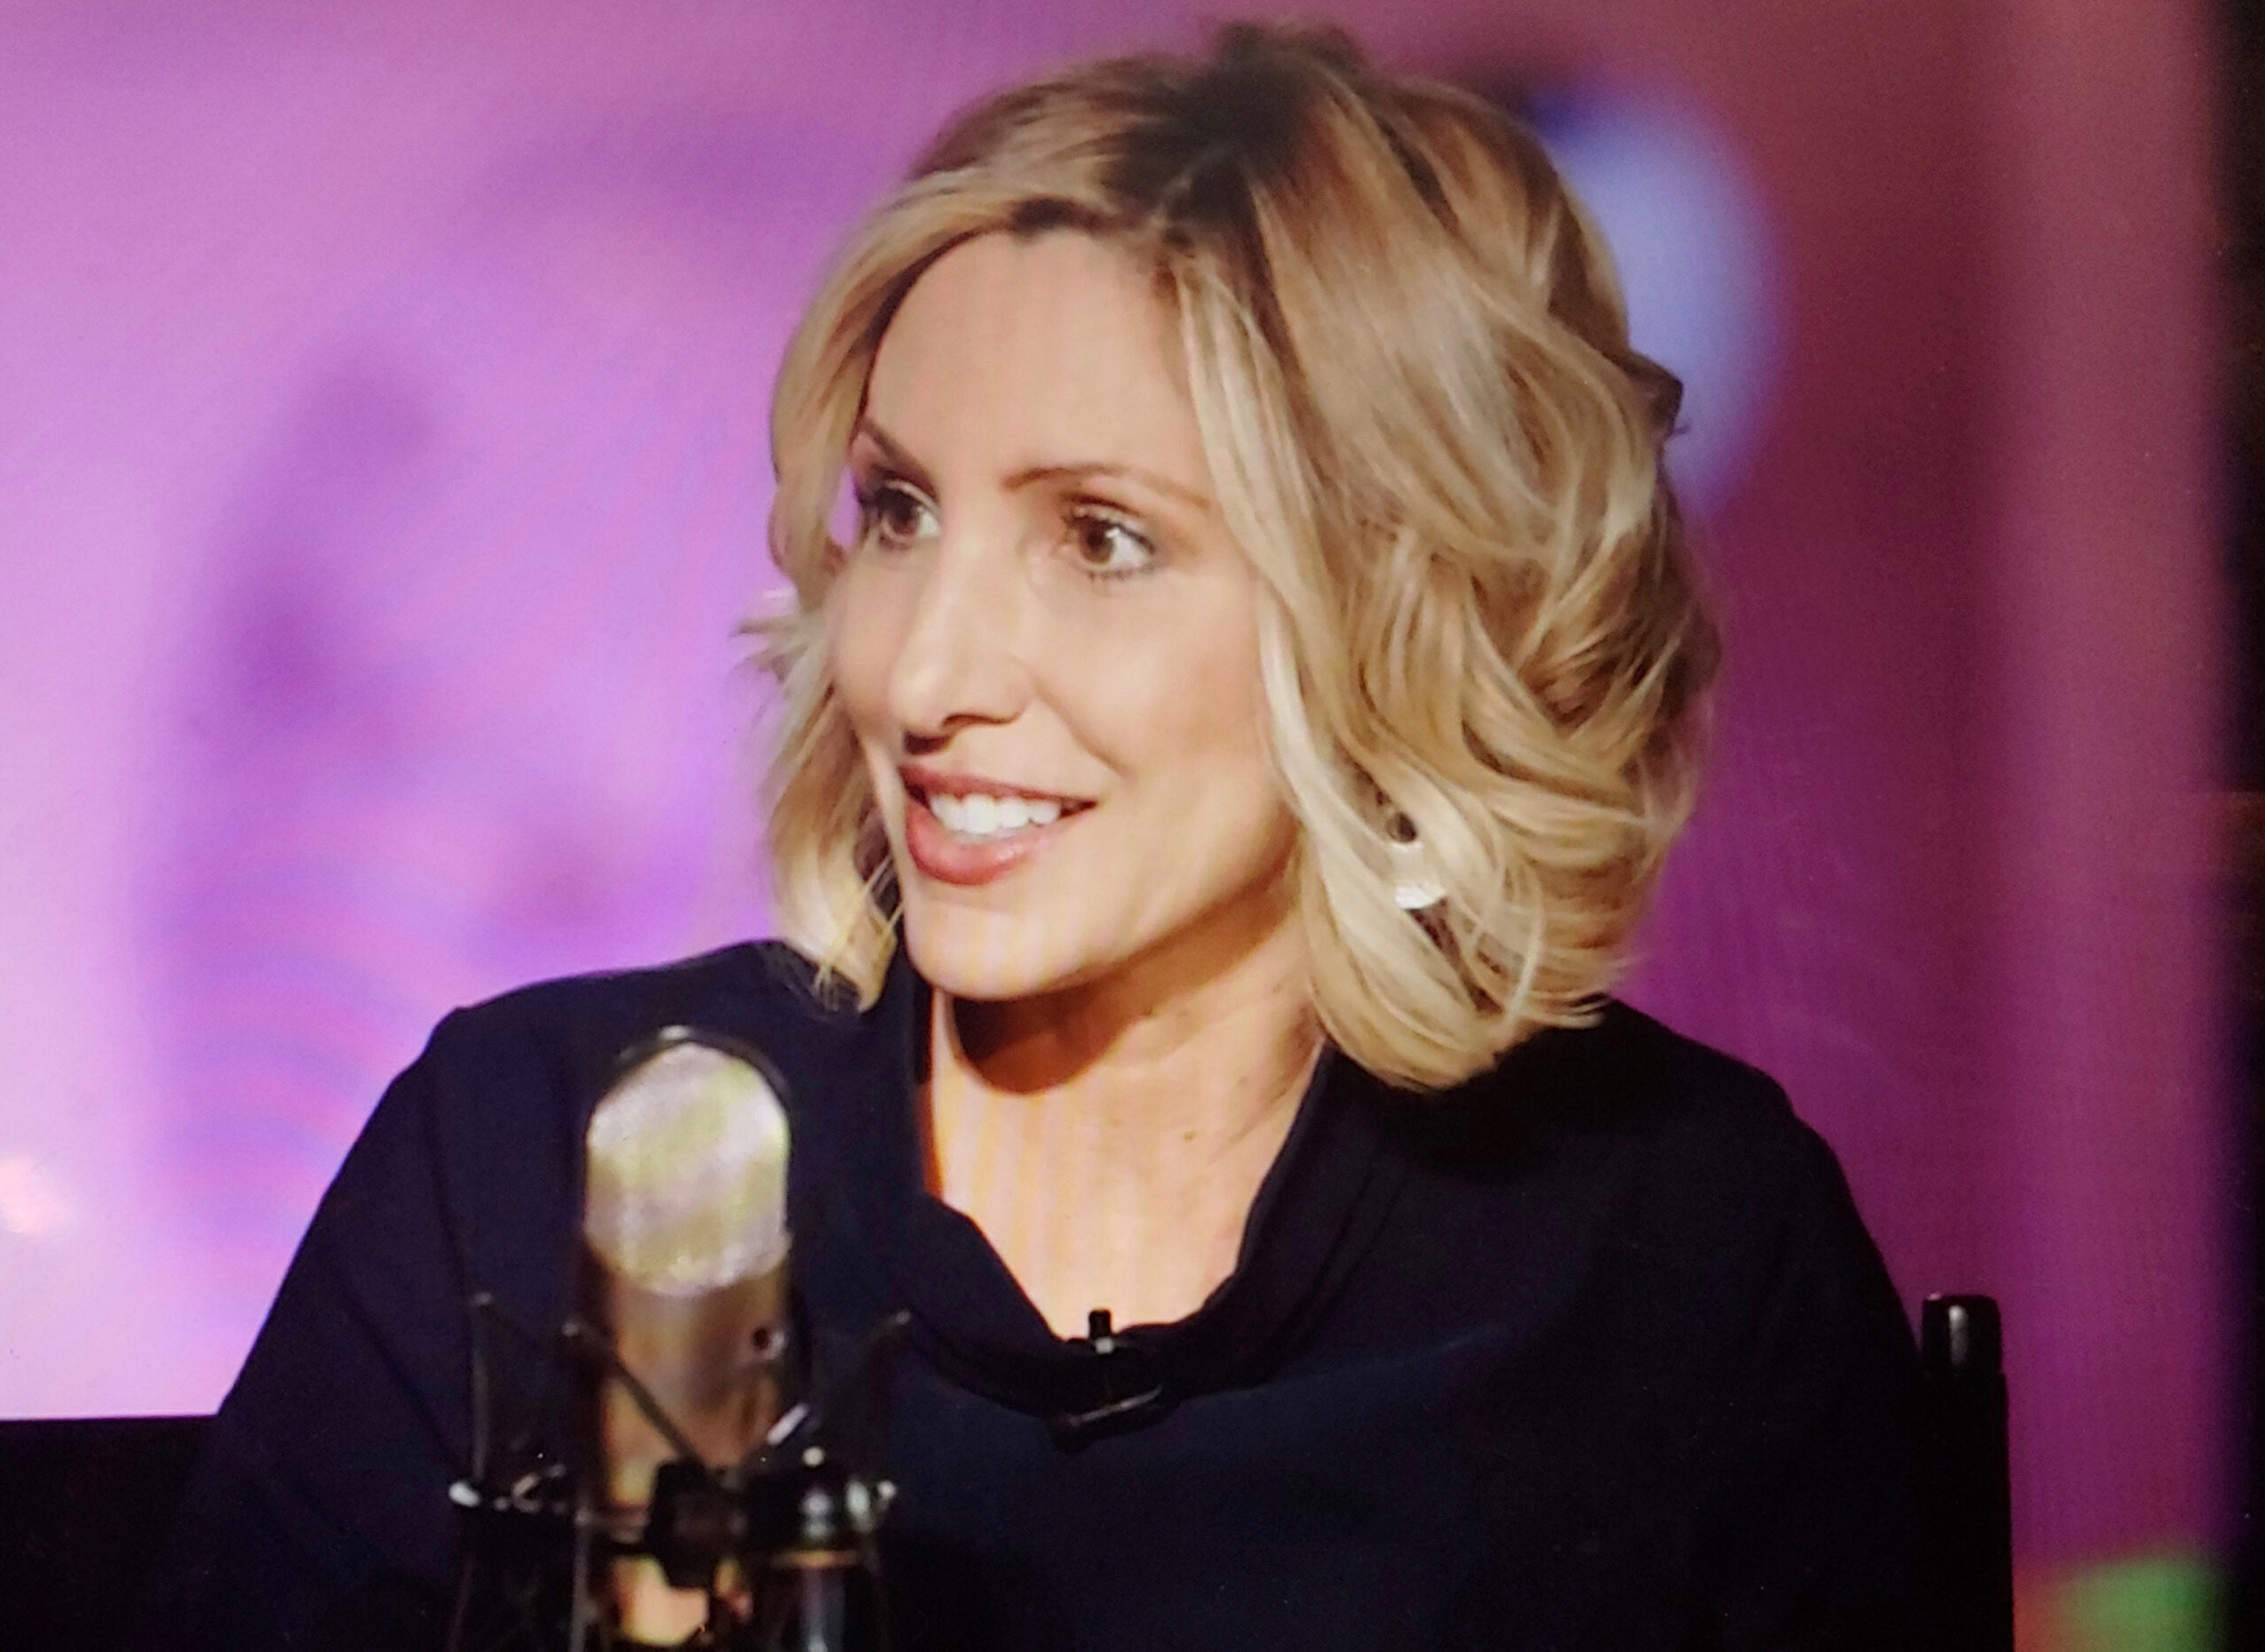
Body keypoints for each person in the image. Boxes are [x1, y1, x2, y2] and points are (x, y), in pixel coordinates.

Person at [143, 23, 1932, 1650]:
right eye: (900, 511)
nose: (923, 673)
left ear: (1397, 609)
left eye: (1101, 539)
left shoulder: (1682, 1249)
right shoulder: (536, 1158)